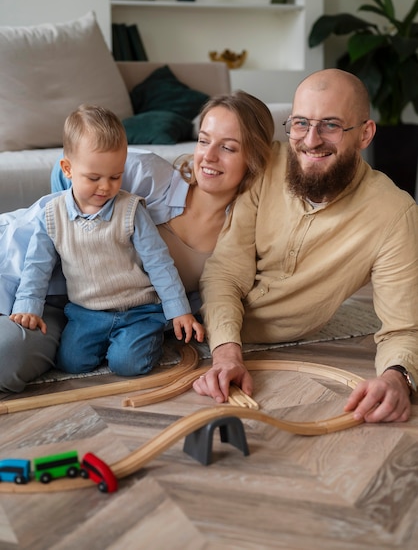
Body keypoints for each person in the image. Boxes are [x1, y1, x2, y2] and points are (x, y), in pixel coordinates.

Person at [0, 90, 274, 391]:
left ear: (254, 157)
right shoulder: (144, 173)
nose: (208, 157)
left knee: (6, 359)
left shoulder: (240, 235)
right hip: (25, 272)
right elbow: (65, 171)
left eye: (228, 148)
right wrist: (75, 237)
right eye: (204, 140)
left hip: (88, 313)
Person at [194, 69, 418, 424]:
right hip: (193, 310)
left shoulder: (395, 213)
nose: (311, 140)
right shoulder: (267, 162)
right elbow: (225, 272)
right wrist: (226, 355)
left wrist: (397, 378)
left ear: (365, 134)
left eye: (330, 125)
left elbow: (403, 328)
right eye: (300, 123)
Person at [9, 104, 205, 376]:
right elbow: (37, 266)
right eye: (94, 178)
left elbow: (159, 263)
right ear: (67, 169)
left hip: (138, 310)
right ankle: (113, 342)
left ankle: (148, 334)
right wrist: (27, 307)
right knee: (72, 363)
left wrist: (179, 311)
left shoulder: (132, 210)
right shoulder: (51, 214)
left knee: (127, 365)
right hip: (86, 313)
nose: (105, 187)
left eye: (115, 176)